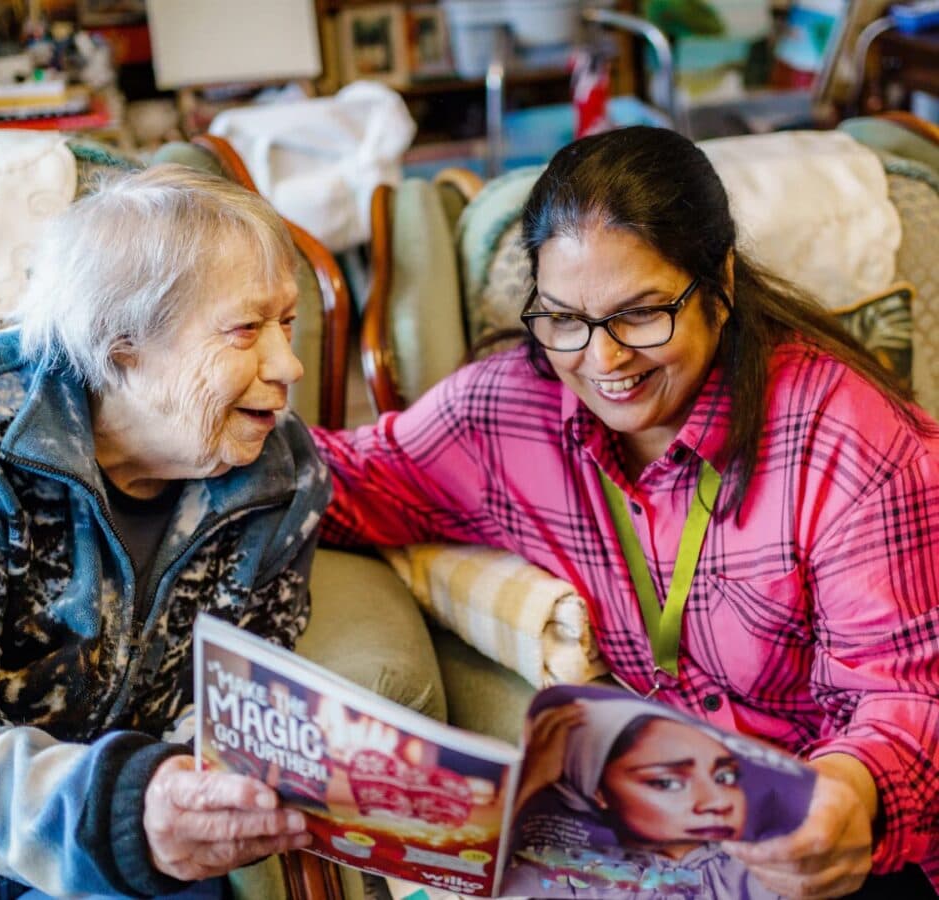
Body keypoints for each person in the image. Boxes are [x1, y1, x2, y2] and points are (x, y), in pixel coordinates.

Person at [312, 126, 939, 899]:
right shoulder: (511, 411)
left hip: (840, 847)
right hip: (670, 836)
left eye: (642, 314)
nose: (604, 361)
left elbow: (904, 697)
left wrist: (850, 793)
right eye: (566, 318)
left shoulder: (849, 440)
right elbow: (346, 481)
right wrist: (168, 434)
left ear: (722, 283)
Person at [0, 165, 330, 898]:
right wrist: (121, 809)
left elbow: (238, 698)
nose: (288, 365)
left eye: (287, 323)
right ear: (121, 342)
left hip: (145, 861)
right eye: (246, 329)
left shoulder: (282, 473)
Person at [506, 696, 780, 899]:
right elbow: (478, 874)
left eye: (721, 777)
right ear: (598, 791)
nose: (710, 797)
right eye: (666, 782)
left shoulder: (757, 859)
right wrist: (532, 779)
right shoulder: (571, 870)